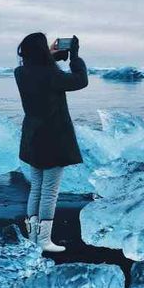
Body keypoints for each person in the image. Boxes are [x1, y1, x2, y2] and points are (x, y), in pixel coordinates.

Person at [14, 32, 88, 252]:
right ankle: (44, 240)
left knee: (36, 187)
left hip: (33, 137)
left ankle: (33, 236)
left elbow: (40, 70)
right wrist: (74, 56)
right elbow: (80, 80)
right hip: (53, 138)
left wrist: (51, 55)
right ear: (40, 51)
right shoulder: (49, 74)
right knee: (49, 191)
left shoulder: (21, 72)